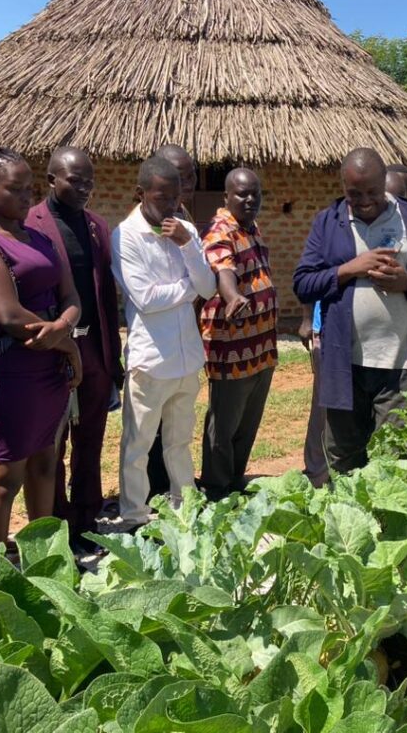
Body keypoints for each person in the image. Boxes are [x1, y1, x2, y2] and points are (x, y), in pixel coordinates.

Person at [293, 147, 407, 473]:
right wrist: (350, 268)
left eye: (372, 191)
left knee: (395, 461)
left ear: (385, 181)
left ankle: (388, 525)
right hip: (345, 365)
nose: (365, 200)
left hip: (401, 365)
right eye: (355, 193)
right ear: (343, 187)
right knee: (342, 457)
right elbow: (303, 283)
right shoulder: (329, 223)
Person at [0, 148, 82, 548]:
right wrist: (68, 346)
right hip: (10, 373)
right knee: (4, 478)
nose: (27, 197)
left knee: (46, 464)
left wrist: (64, 332)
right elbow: (9, 316)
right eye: (15, 189)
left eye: (30, 189)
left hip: (48, 372)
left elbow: (71, 297)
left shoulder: (40, 238)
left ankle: (42, 556)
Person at [26, 147, 122, 552]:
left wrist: (112, 358)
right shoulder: (32, 225)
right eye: (74, 180)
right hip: (54, 350)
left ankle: (86, 518)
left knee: (91, 439)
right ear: (51, 180)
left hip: (94, 348)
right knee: (54, 442)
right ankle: (57, 527)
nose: (84, 188)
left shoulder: (97, 226)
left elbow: (106, 297)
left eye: (89, 181)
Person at [111, 157, 215, 528]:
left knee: (179, 444)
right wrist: (189, 289)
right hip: (151, 362)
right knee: (137, 448)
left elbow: (210, 287)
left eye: (175, 197)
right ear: (140, 194)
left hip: (187, 360)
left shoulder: (185, 230)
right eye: (161, 198)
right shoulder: (125, 235)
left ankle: (183, 509)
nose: (170, 206)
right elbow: (145, 299)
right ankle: (134, 516)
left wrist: (188, 245)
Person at [198, 168, 277, 500]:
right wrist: (232, 297)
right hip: (231, 346)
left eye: (255, 194)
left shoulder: (251, 228)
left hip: (260, 346)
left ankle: (234, 479)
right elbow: (223, 270)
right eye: (242, 194)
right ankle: (216, 488)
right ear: (226, 198)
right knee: (224, 425)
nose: (250, 200)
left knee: (247, 422)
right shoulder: (220, 231)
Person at [142, 143, 199, 501]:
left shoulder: (186, 221)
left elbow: (204, 280)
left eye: (190, 176)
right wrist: (189, 287)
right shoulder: (141, 228)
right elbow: (147, 297)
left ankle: (174, 493)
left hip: (184, 344)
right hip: (155, 347)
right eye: (179, 176)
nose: (187, 183)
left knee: (177, 428)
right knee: (149, 430)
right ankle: (151, 493)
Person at [298, 300, 327, 487]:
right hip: (326, 330)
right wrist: (307, 318)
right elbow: (306, 275)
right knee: (323, 407)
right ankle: (316, 475)